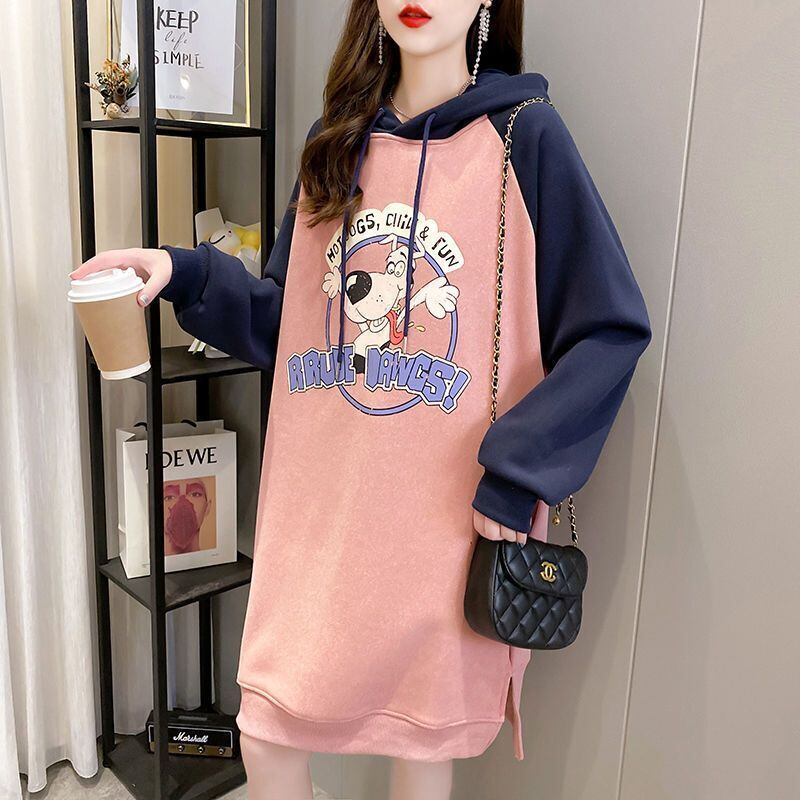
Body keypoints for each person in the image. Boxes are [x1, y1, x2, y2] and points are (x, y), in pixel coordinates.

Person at [70, 1, 652, 797]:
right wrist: (188, 272)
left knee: (420, 750)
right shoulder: (336, 142)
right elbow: (288, 324)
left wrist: (519, 474)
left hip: (444, 527)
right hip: (318, 518)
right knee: (266, 736)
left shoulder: (527, 139)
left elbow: (610, 329)